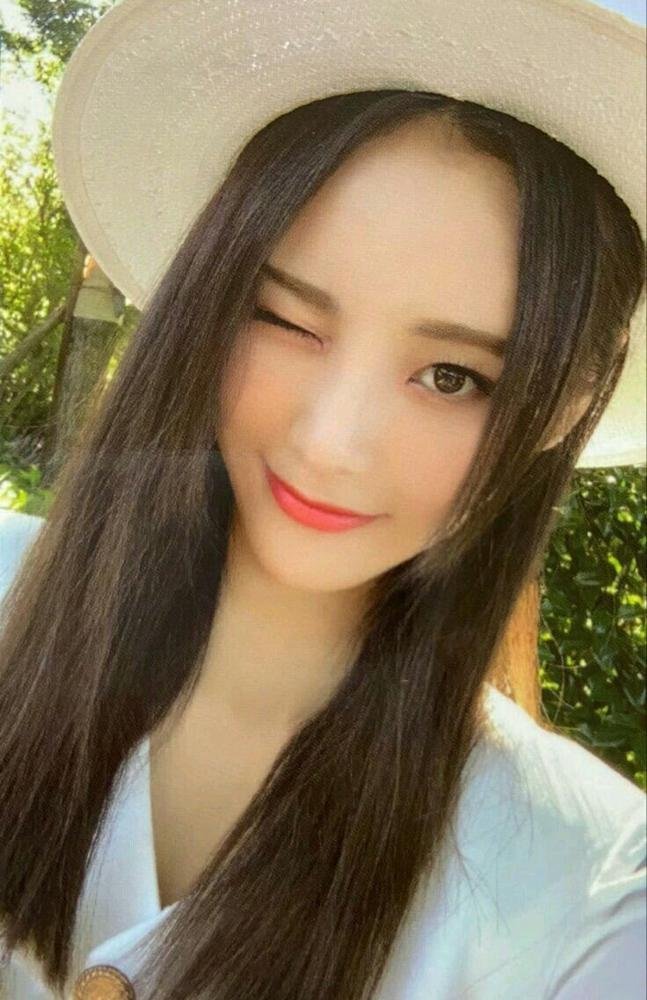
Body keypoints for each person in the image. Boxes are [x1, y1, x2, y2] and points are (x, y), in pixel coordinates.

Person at [1, 0, 645, 997]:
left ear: (555, 412)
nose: (329, 442)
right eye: (286, 319)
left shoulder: (583, 890)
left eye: (451, 377)